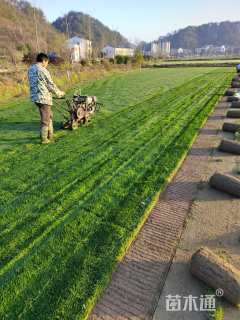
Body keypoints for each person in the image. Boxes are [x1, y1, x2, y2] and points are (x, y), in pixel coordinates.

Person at [28, 53, 65, 144]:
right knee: (46, 118)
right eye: (47, 62)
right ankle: (44, 139)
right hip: (43, 97)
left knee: (49, 115)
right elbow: (50, 84)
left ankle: (50, 134)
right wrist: (59, 93)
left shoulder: (31, 69)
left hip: (35, 97)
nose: (47, 64)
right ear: (44, 61)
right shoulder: (43, 70)